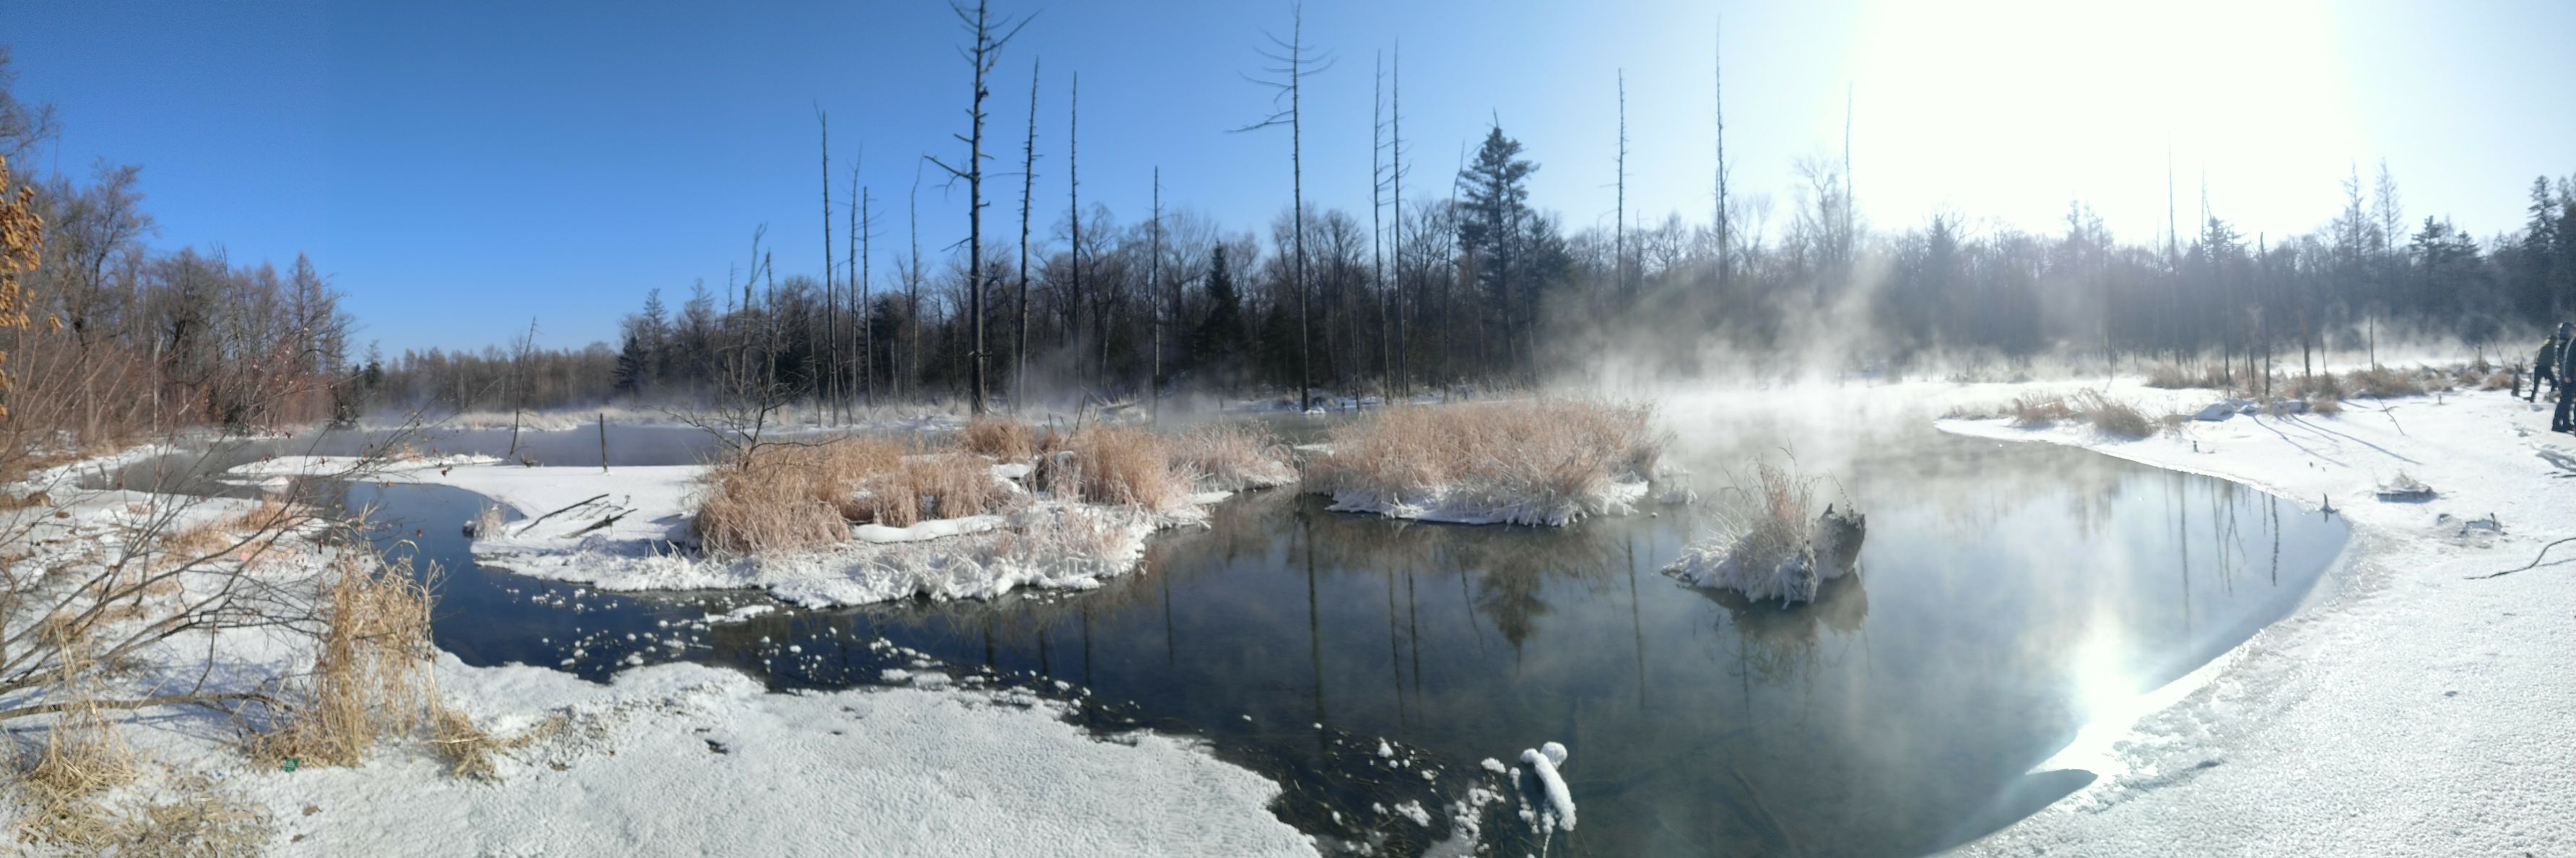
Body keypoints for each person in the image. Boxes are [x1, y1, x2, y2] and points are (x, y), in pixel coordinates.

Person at [2536, 325, 2564, 403]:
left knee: (2536, 386)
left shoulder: (2544, 346)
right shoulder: (2552, 348)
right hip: (2545, 368)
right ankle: (2551, 398)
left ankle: (2532, 401)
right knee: (2555, 383)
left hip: (2538, 367)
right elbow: (2554, 358)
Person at [2557, 322, 2576, 434]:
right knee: (2565, 400)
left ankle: (2565, 423)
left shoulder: (2563, 344)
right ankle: (2557, 423)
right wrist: (2567, 376)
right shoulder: (2566, 344)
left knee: (2567, 400)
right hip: (2567, 377)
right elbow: (2567, 362)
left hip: (2567, 376)